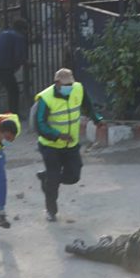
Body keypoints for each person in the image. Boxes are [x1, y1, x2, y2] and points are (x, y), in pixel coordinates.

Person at [35, 68, 103, 222]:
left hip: (71, 145)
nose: (69, 87)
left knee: (74, 176)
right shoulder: (46, 98)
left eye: (71, 84)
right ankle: (51, 211)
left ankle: (46, 177)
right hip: (50, 147)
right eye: (66, 85)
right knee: (53, 180)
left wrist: (97, 119)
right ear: (57, 83)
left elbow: (88, 106)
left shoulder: (78, 89)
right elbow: (39, 124)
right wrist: (57, 135)